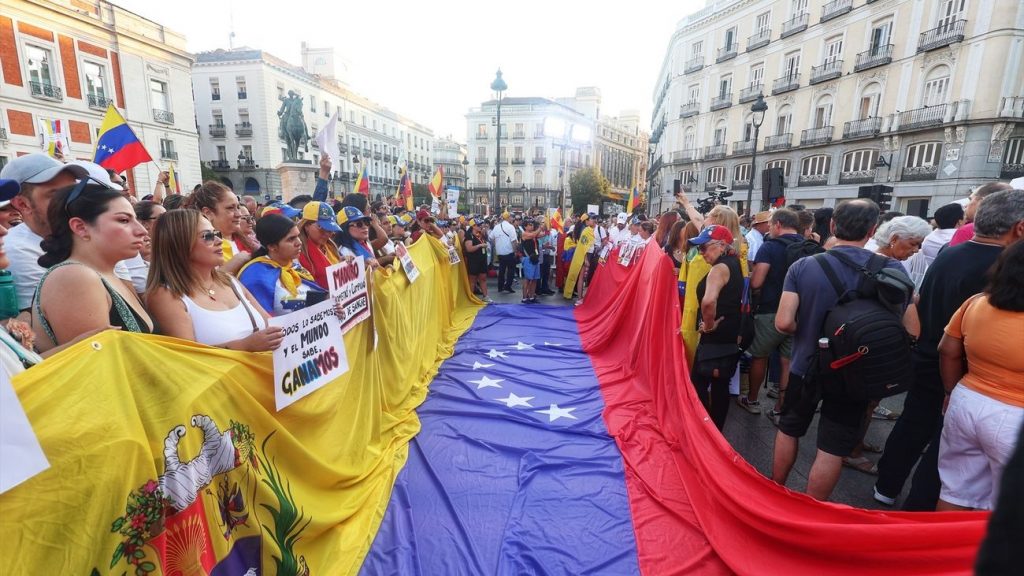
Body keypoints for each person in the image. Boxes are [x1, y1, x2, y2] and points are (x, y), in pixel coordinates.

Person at [875, 190, 1024, 508]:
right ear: (1019, 229)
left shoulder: (949, 253)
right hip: (961, 372)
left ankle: (886, 486)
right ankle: (920, 507)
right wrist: (952, 385)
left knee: (914, 424)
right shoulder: (1003, 268)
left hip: (930, 354)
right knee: (947, 447)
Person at [772, 199, 908, 501]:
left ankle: (775, 490)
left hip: (805, 365)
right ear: (873, 230)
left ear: (832, 226)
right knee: (832, 448)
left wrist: (809, 327)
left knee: (790, 429)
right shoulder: (891, 268)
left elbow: (783, 323)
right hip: (854, 371)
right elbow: (909, 328)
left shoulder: (803, 266)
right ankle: (812, 510)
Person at [935, 241, 1024, 511]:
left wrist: (950, 391)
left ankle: (939, 551)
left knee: (955, 492)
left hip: (966, 401)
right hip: (1014, 416)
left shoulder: (976, 303)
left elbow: (947, 350)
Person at [32, 181, 154, 352]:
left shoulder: (103, 274)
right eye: (124, 220)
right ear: (80, 228)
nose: (142, 230)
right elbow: (97, 368)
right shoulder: (76, 277)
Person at [146, 210, 283, 350]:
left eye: (216, 234)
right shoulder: (165, 295)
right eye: (208, 236)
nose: (219, 241)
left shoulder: (229, 281)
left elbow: (271, 324)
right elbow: (187, 355)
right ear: (179, 243)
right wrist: (244, 346)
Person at [746, 209, 812, 421]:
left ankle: (753, 400)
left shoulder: (769, 247)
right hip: (797, 314)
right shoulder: (808, 247)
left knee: (760, 356)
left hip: (770, 311)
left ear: (778, 225)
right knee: (787, 362)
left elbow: (757, 282)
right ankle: (779, 408)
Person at [1, 154, 89, 311]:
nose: (72, 201)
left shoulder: (89, 233)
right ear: (23, 204)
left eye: (74, 191)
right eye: (57, 195)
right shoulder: (15, 249)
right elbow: (55, 320)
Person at [689, 225, 744, 431]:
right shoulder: (733, 262)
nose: (701, 254)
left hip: (715, 337)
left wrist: (708, 325)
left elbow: (708, 302)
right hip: (728, 334)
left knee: (699, 383)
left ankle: (702, 431)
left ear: (721, 245)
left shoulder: (719, 269)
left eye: (704, 248)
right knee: (720, 387)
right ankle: (715, 432)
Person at [238, 214, 324, 315]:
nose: (299, 242)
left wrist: (332, 307)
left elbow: (317, 299)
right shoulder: (254, 277)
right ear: (272, 247)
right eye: (291, 239)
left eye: (298, 236)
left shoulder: (294, 267)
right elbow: (263, 323)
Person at [183, 181, 249, 275]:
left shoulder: (248, 241)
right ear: (208, 212)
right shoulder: (201, 246)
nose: (239, 214)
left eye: (238, 207)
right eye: (230, 208)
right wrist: (238, 260)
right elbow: (203, 282)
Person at [906, 202, 964, 288]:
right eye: (965, 217)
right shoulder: (959, 239)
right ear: (959, 222)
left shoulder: (929, 238)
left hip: (928, 280)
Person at [949, 182, 1014, 247]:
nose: (966, 205)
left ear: (982, 202)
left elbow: (952, 256)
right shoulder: (1014, 229)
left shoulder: (967, 230)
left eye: (970, 199)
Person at [296, 201, 343, 290]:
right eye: (321, 227)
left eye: (330, 228)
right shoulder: (296, 253)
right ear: (306, 226)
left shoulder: (331, 247)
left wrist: (345, 263)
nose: (328, 233)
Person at [123, 200, 166, 293]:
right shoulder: (132, 253)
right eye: (163, 218)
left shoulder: (166, 250)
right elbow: (142, 287)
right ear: (145, 224)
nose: (169, 221)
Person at [489, 211, 518, 294]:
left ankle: (500, 287)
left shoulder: (496, 227)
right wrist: (515, 251)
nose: (512, 219)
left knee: (502, 269)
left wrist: (497, 245)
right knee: (511, 270)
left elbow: (491, 237)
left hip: (500, 252)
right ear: (508, 218)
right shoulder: (510, 227)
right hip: (509, 251)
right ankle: (508, 286)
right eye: (511, 217)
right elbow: (514, 241)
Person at [464, 221, 491, 303]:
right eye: (478, 225)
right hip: (474, 260)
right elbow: (469, 248)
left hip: (482, 259)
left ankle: (485, 296)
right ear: (473, 226)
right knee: (473, 280)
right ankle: (470, 298)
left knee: (483, 278)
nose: (480, 226)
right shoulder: (469, 236)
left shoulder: (480, 234)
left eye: (480, 224)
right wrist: (480, 245)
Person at [520, 219, 542, 304]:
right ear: (525, 226)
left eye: (532, 224)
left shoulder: (534, 234)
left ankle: (532, 297)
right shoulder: (524, 234)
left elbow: (542, 234)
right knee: (528, 279)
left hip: (535, 258)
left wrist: (546, 225)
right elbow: (534, 234)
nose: (531, 226)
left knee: (535, 279)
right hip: (528, 259)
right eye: (529, 224)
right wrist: (540, 228)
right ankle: (525, 298)